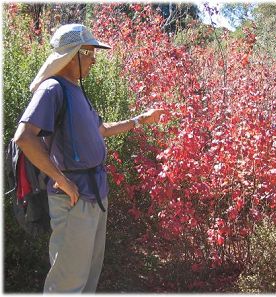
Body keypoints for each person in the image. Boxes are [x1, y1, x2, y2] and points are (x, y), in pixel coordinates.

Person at [14, 23, 164, 293]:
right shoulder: (53, 89)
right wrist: (62, 180)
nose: (95, 59)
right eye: (90, 52)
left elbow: (101, 130)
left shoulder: (76, 91)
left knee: (88, 277)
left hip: (95, 195)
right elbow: (24, 137)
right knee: (67, 283)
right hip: (73, 199)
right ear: (74, 54)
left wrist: (141, 120)